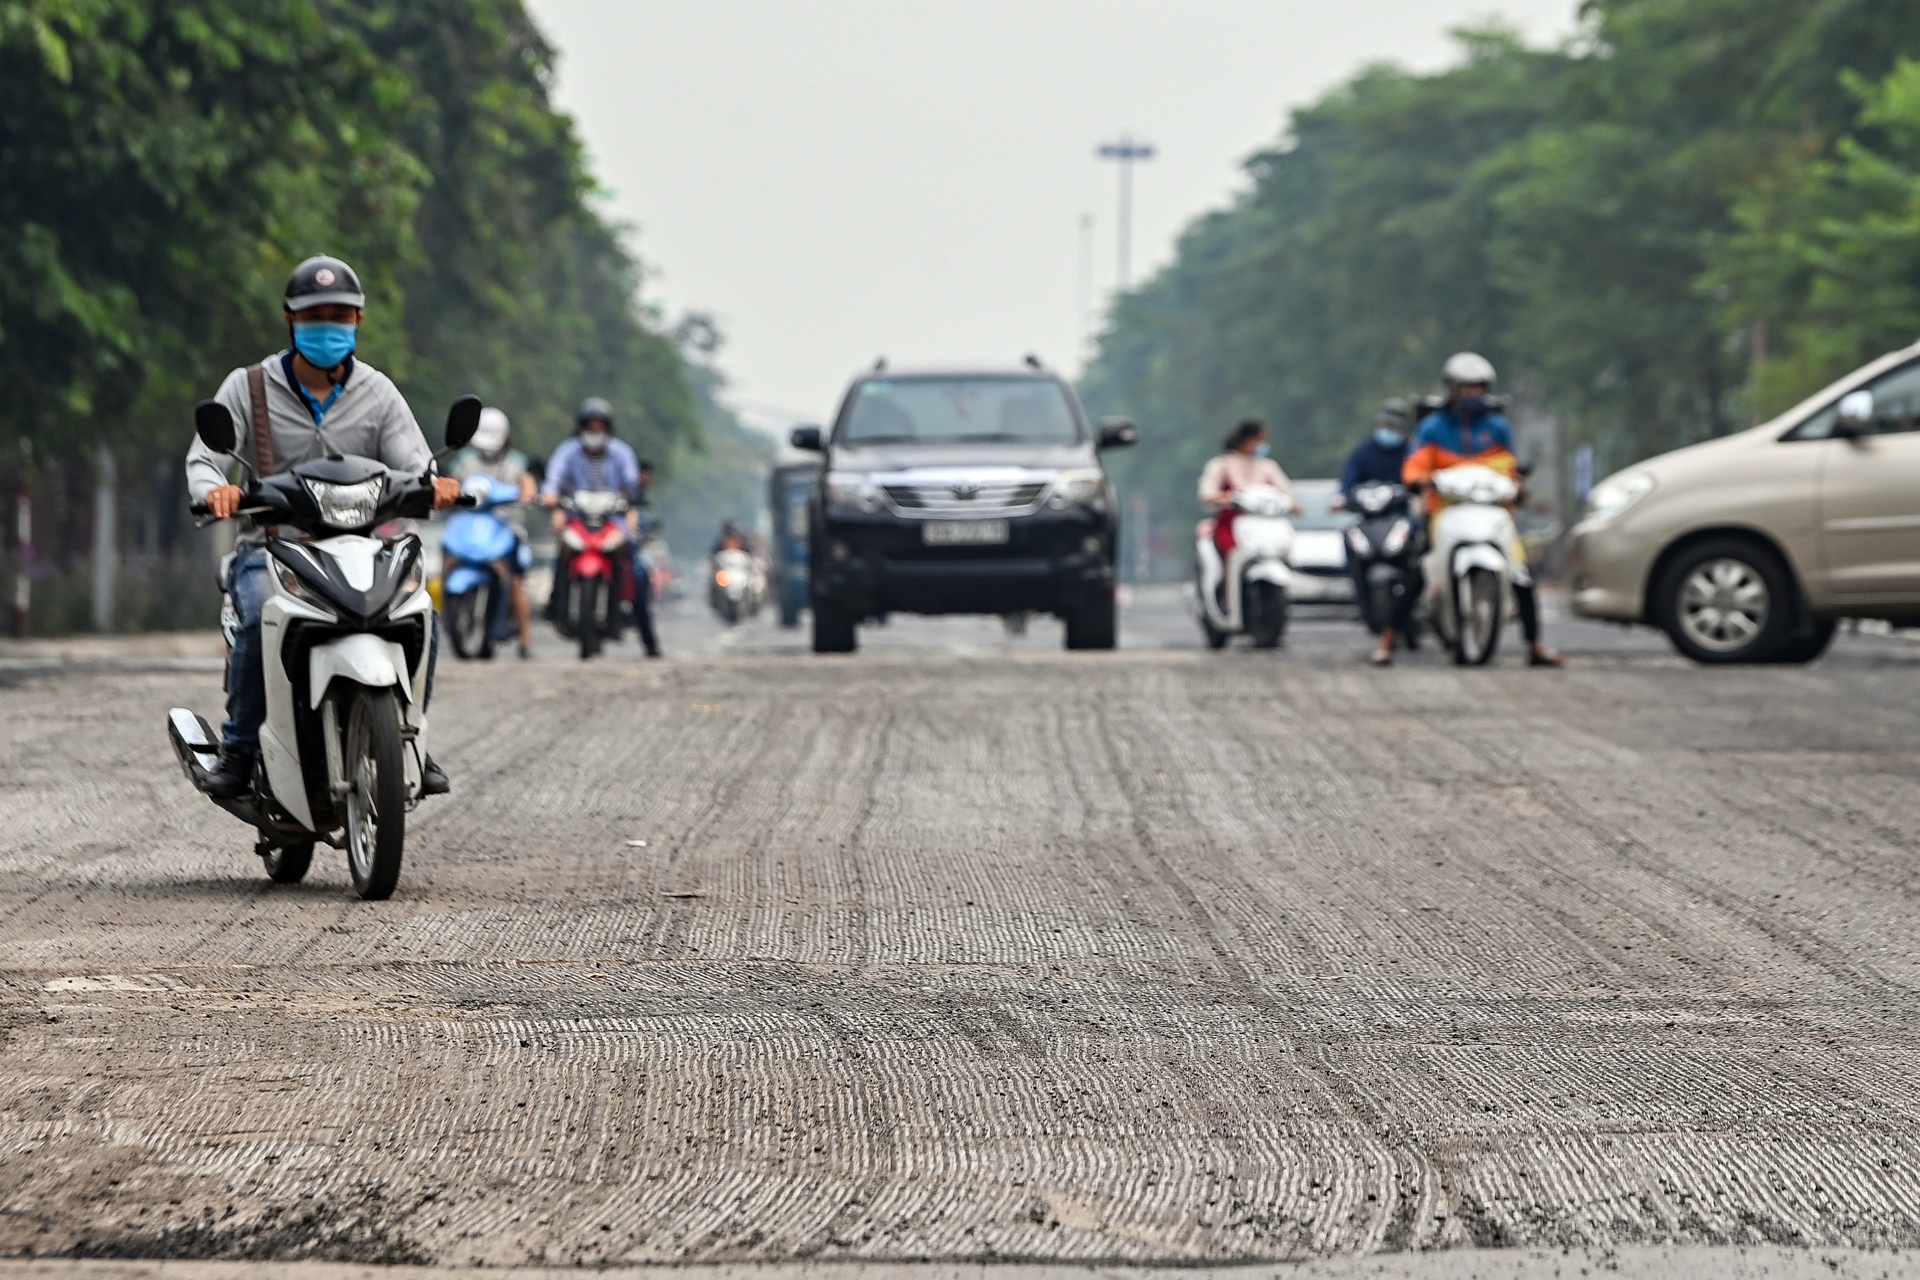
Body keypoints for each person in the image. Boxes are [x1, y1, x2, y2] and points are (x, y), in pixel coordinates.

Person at [186, 254, 461, 797]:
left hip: (363, 550)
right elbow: (204, 459)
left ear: (358, 321)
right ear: (290, 319)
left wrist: (437, 483)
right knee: (258, 616)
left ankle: (411, 741)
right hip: (273, 549)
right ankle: (239, 749)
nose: (327, 326)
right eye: (315, 316)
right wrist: (213, 490)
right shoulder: (248, 389)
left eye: (340, 314)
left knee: (421, 613)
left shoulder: (378, 393)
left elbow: (415, 461)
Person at [1401, 352, 1564, 668]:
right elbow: (1415, 465)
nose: (1473, 394)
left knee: (1521, 576)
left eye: (1479, 387)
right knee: (1417, 570)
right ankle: (1387, 639)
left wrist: (1518, 486)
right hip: (1445, 512)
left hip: (1491, 512)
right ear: (1452, 388)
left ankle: (1536, 645)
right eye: (1467, 387)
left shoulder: (1498, 427)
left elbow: (1510, 469)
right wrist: (1418, 481)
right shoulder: (1433, 428)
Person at [542, 397, 660, 657]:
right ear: (581, 428)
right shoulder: (568, 452)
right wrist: (551, 497)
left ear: (608, 429)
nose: (594, 432)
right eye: (589, 427)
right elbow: (553, 480)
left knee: (637, 572)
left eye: (599, 427)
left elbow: (631, 485)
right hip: (578, 518)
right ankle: (555, 603)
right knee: (561, 552)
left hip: (613, 520)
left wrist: (632, 503)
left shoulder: (622, 453)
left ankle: (647, 636)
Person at [448, 406, 538, 658]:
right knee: (449, 562)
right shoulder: (465, 461)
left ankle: (526, 639)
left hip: (505, 526)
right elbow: (452, 482)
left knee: (516, 579)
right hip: (470, 523)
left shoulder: (515, 461)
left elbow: (526, 482)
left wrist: (527, 493)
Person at [1198, 420, 1297, 591]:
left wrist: (1292, 505)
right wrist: (1223, 497)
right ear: (1247, 440)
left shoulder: (1267, 467)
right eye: (1259, 439)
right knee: (1232, 554)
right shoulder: (1222, 465)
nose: (1263, 445)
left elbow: (1285, 493)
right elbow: (1207, 493)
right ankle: (1227, 593)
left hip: (1264, 524)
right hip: (1231, 524)